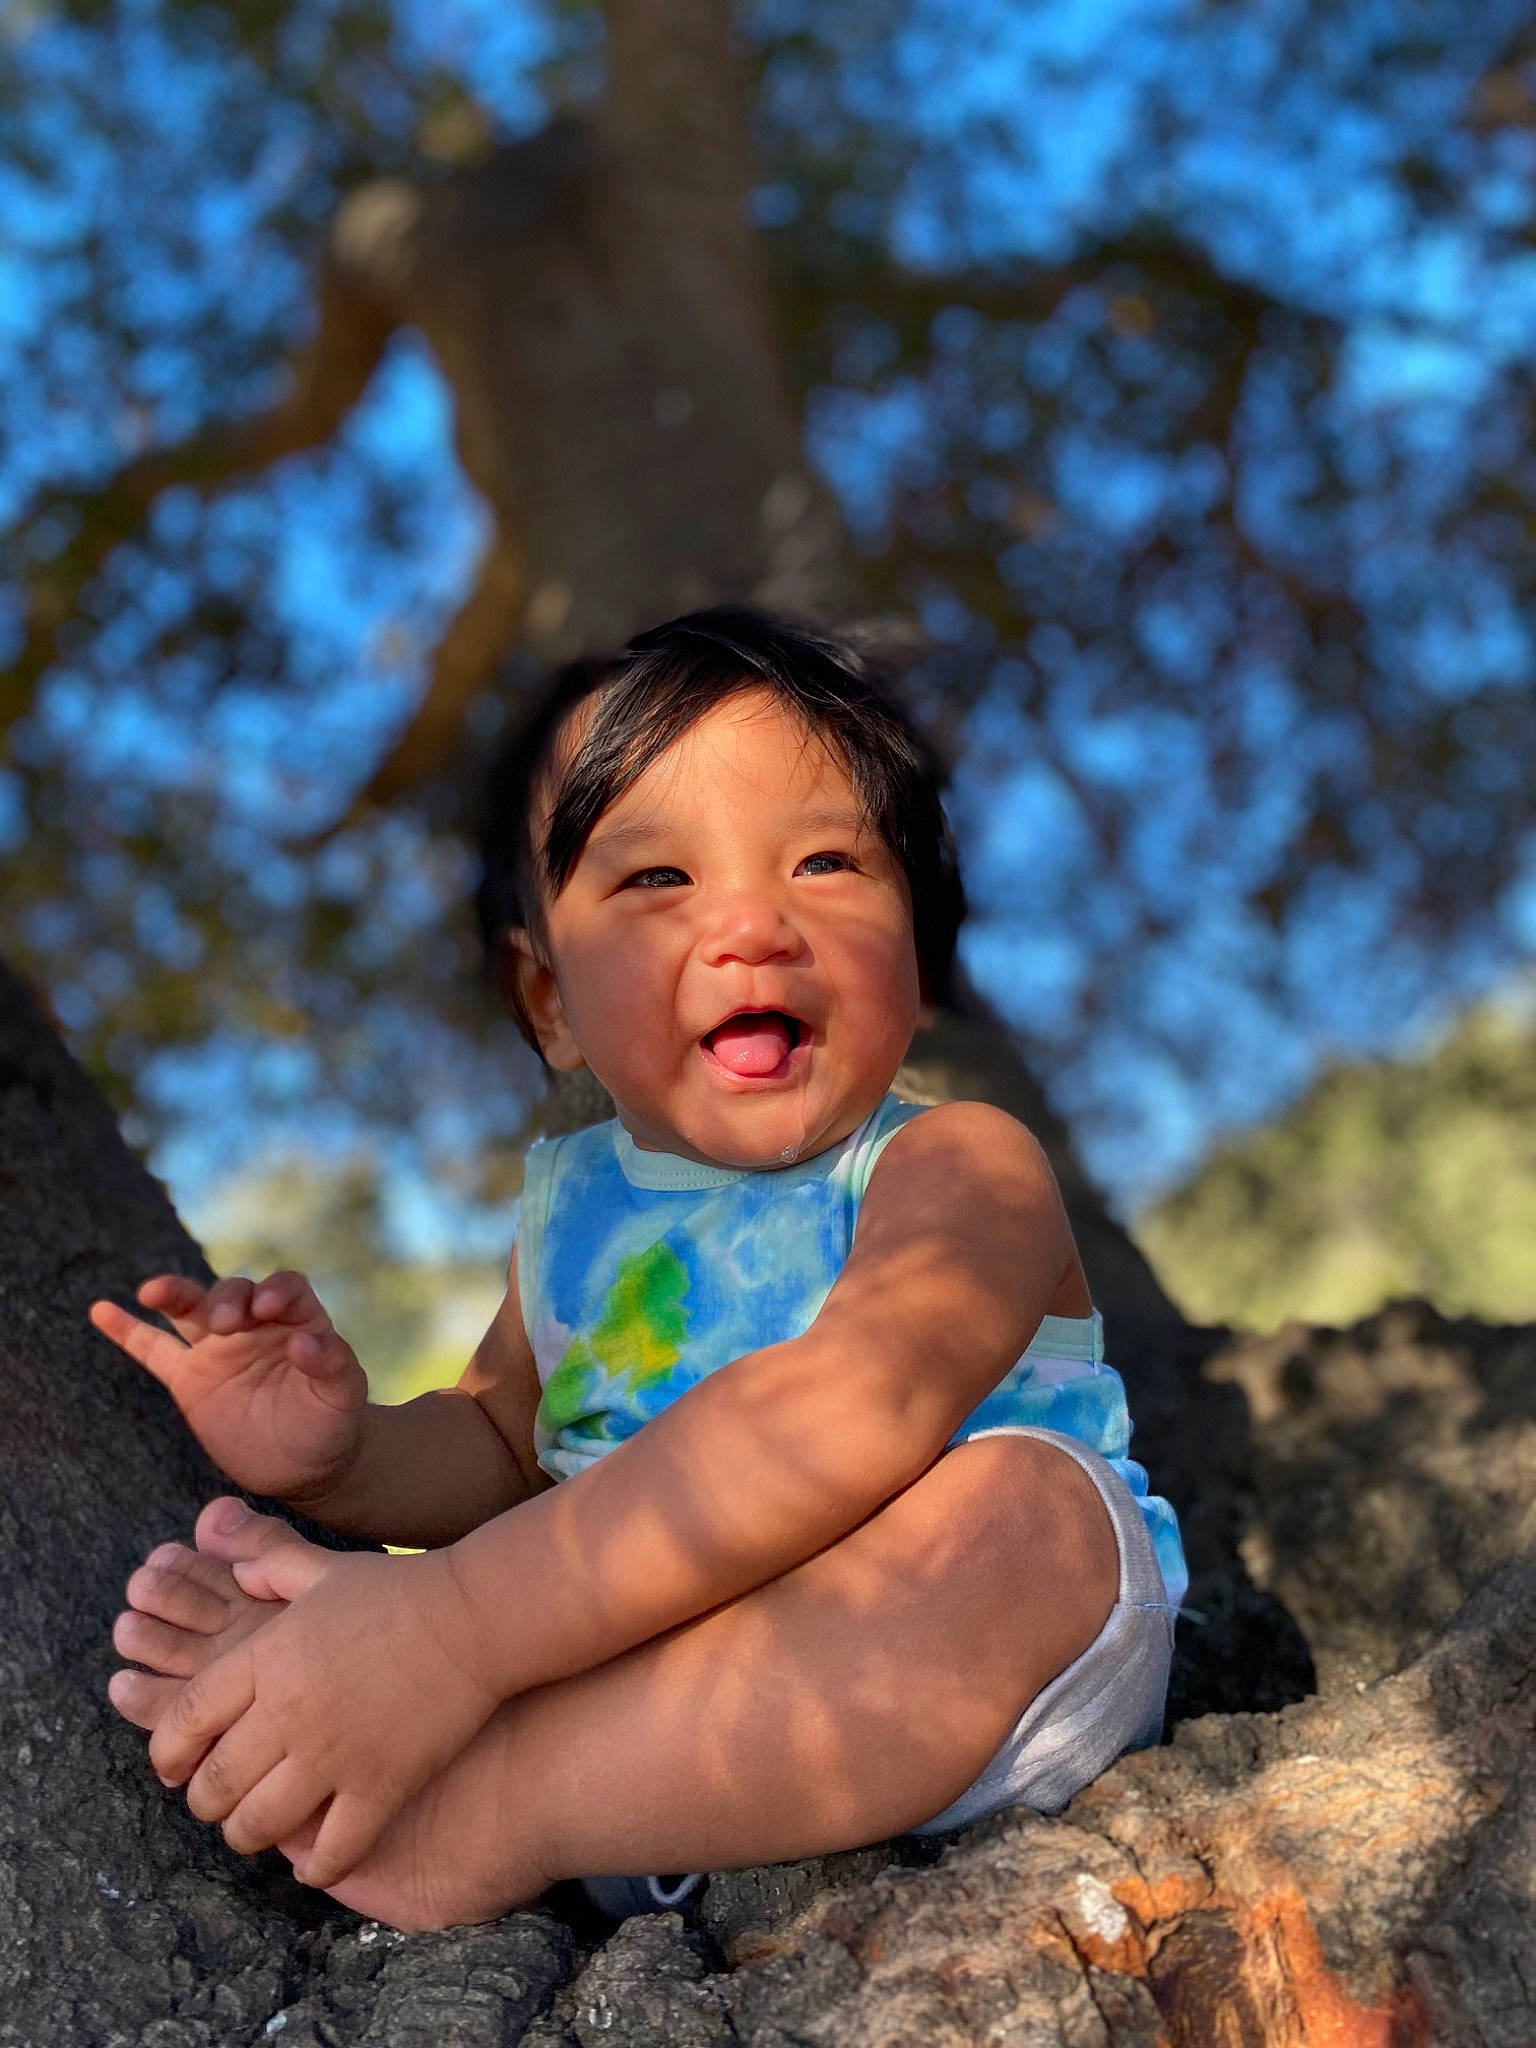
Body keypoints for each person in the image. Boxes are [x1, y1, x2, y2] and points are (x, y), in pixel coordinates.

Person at [90, 605, 1186, 1934]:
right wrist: (340, 1459)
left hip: (965, 1678)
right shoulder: (569, 1216)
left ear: (920, 945)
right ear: (549, 1003)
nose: (750, 928)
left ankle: (488, 1804)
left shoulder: (958, 1165)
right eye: (657, 880)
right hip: (663, 1722)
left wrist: (444, 1633)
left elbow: (850, 1406)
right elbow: (506, 1442)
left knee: (1031, 1517)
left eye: (827, 862)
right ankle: (402, 1715)